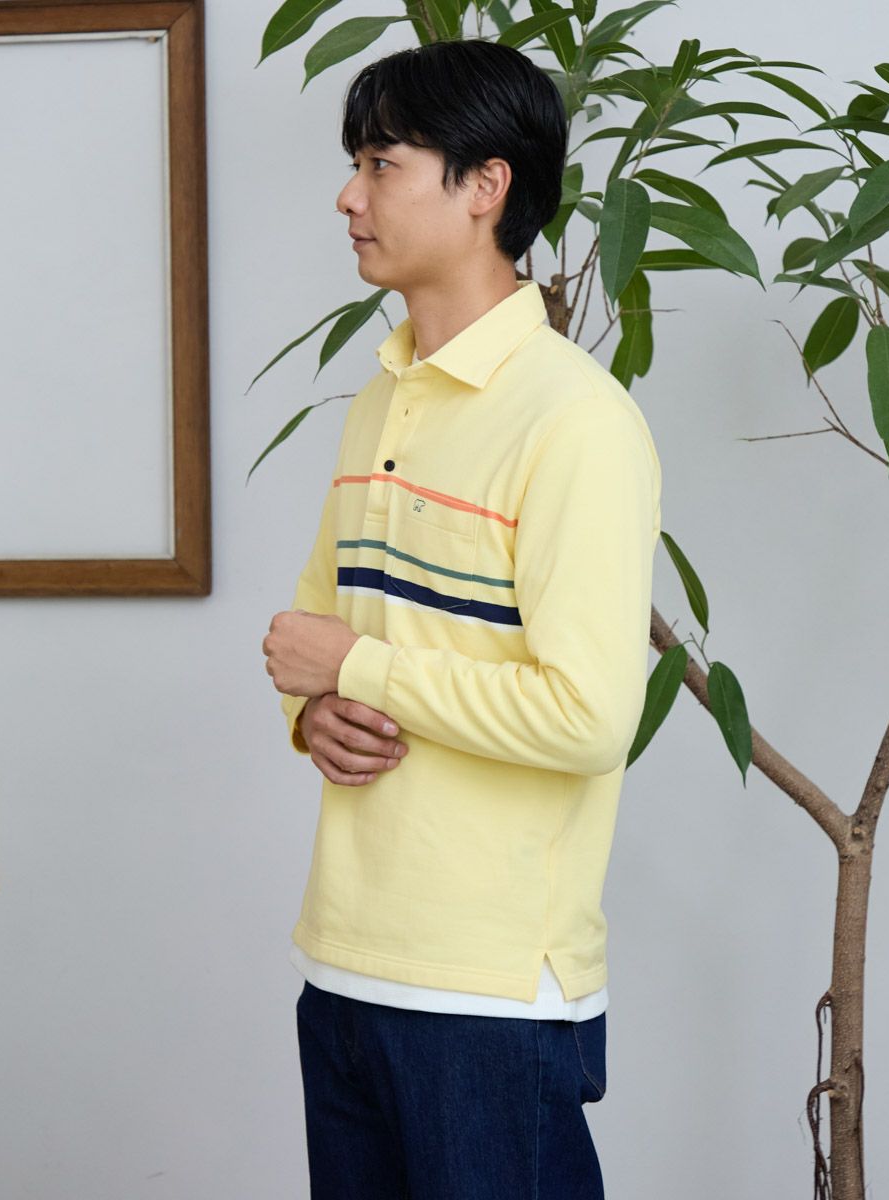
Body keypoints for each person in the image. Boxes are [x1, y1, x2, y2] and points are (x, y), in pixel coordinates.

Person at [261, 36, 662, 1200]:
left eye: (381, 164)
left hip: (488, 993)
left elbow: (589, 716)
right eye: (356, 165)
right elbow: (312, 637)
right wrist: (315, 714)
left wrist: (359, 669)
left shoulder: (576, 421)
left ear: (487, 185)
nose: (349, 197)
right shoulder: (381, 396)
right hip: (344, 968)